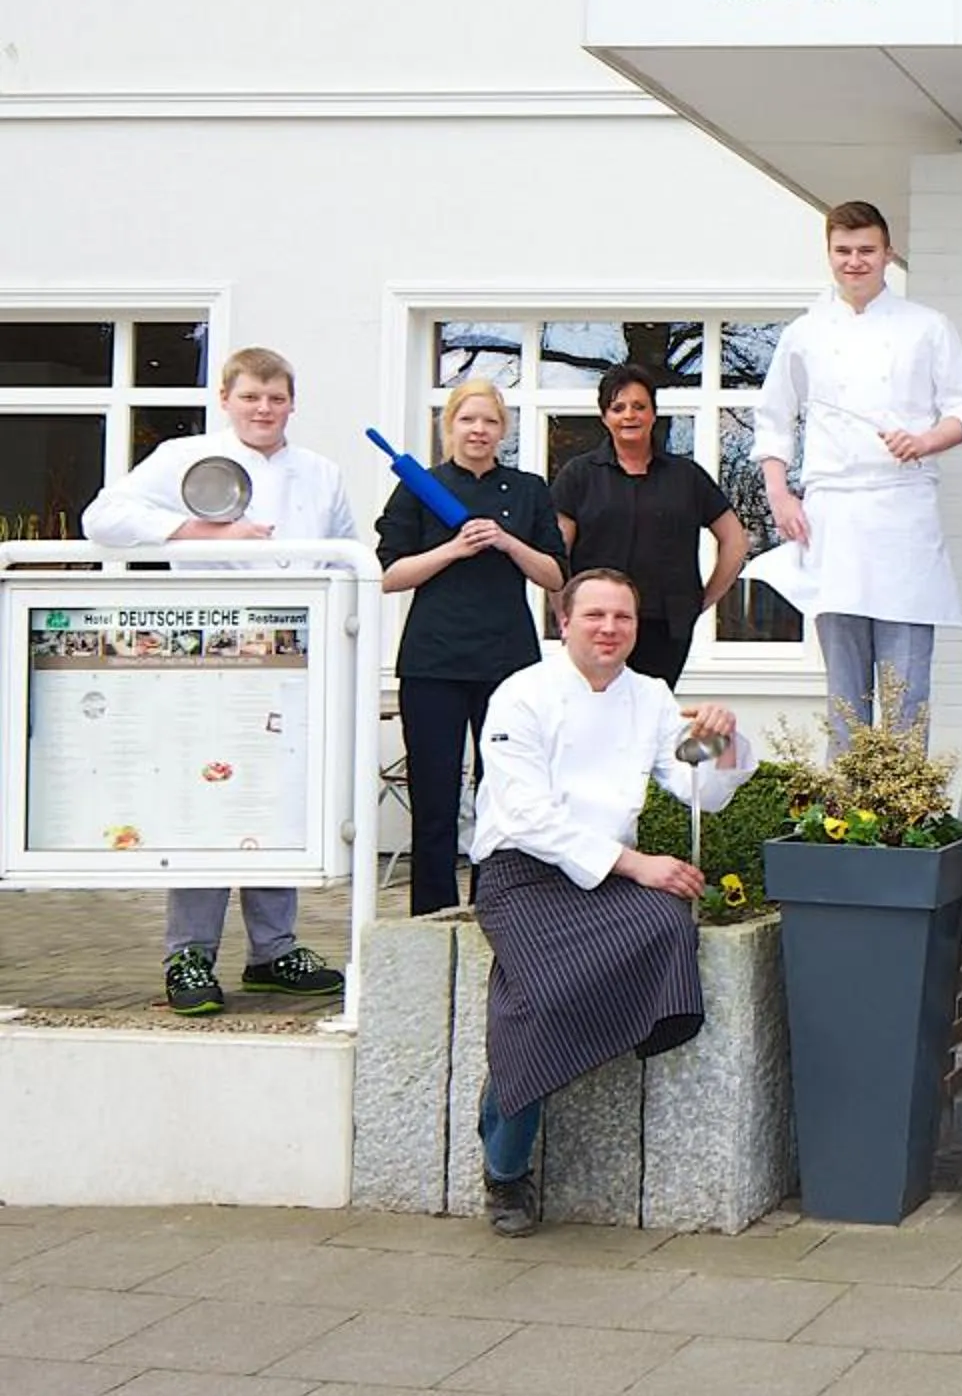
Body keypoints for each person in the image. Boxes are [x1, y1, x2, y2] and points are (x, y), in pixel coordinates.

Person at [467, 570, 753, 1237]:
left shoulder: (649, 696)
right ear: (563, 622)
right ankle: (505, 1171)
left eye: (622, 618)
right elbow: (526, 815)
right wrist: (636, 864)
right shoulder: (522, 695)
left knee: (664, 921)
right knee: (538, 1003)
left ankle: (613, 1031)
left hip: (607, 876)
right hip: (522, 876)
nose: (609, 628)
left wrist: (722, 736)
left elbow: (696, 787)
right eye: (594, 615)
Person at [81, 346, 353, 1015]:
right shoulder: (185, 459)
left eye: (277, 397)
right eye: (252, 397)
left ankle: (273, 950)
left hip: (292, 659)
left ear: (293, 402)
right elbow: (102, 519)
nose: (264, 409)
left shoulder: (320, 472)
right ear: (226, 399)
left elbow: (347, 556)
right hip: (209, 656)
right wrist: (196, 528)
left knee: (275, 802)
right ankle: (190, 955)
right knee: (207, 800)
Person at [754, 200, 962, 743]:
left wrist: (926, 439)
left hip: (903, 508)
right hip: (832, 512)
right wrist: (779, 496)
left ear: (887, 254)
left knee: (907, 690)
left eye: (866, 251)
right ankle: (843, 819)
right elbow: (773, 417)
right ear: (828, 254)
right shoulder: (804, 332)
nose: (854, 262)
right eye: (843, 251)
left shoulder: (927, 326)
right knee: (844, 693)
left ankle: (904, 812)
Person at [376, 379, 566, 916]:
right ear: (450, 426)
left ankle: (496, 907)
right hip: (432, 661)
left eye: (489, 421)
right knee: (434, 797)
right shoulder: (418, 486)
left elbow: (555, 573)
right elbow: (389, 574)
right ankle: (432, 913)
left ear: (502, 430)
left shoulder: (528, 490)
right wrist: (454, 549)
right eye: (467, 420)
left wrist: (507, 542)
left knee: (502, 793)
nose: (478, 430)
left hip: (507, 661)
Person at [550, 361, 746, 689]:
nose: (629, 415)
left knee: (652, 720)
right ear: (604, 418)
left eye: (639, 407)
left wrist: (703, 600)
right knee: (597, 713)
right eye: (618, 408)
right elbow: (555, 554)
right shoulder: (579, 475)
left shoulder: (686, 477)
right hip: (598, 625)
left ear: (654, 414)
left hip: (666, 627)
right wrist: (565, 616)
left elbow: (735, 540)